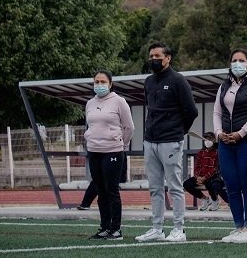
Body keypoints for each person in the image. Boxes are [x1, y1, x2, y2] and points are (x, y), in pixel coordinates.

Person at [135, 42, 199, 243]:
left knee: (174, 186)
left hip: (170, 141)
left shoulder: (178, 80)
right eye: (151, 56)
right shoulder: (148, 82)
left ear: (168, 58)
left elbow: (192, 111)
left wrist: (180, 131)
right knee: (155, 187)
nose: (153, 59)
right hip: (150, 141)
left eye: (157, 56)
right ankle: (157, 228)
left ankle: (179, 229)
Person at [213, 48, 247, 244]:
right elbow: (217, 113)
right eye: (234, 60)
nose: (237, 63)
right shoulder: (223, 86)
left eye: (241, 60)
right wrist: (219, 134)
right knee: (231, 186)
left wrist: (240, 133)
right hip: (226, 144)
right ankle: (237, 227)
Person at [84, 69, 135, 240]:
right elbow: (89, 126)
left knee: (111, 190)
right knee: (100, 191)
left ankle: (116, 230)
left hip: (113, 151)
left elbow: (129, 127)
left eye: (102, 82)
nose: (99, 85)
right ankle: (104, 227)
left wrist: (121, 144)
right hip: (94, 151)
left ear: (110, 84)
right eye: (96, 82)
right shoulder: (90, 103)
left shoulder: (119, 101)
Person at [182, 132, 228, 211]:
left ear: (214, 140)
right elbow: (196, 166)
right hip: (200, 177)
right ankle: (205, 198)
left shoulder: (218, 152)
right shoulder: (201, 152)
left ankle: (215, 200)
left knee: (211, 184)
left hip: (212, 177)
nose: (207, 141)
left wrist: (204, 177)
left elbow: (216, 168)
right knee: (186, 184)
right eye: (205, 139)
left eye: (210, 139)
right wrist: (198, 177)